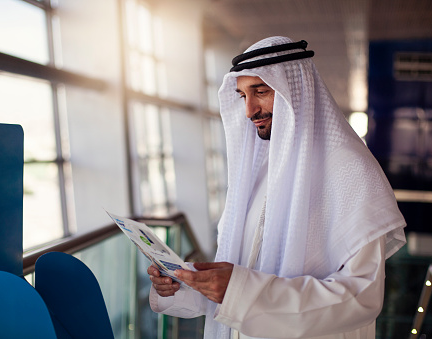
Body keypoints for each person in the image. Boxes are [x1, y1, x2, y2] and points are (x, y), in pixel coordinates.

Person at [147, 36, 407, 339]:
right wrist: (184, 282)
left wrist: (242, 293)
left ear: (297, 92)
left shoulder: (350, 170)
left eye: (261, 91)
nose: (249, 110)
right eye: (243, 95)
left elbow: (361, 298)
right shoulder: (259, 172)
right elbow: (237, 276)